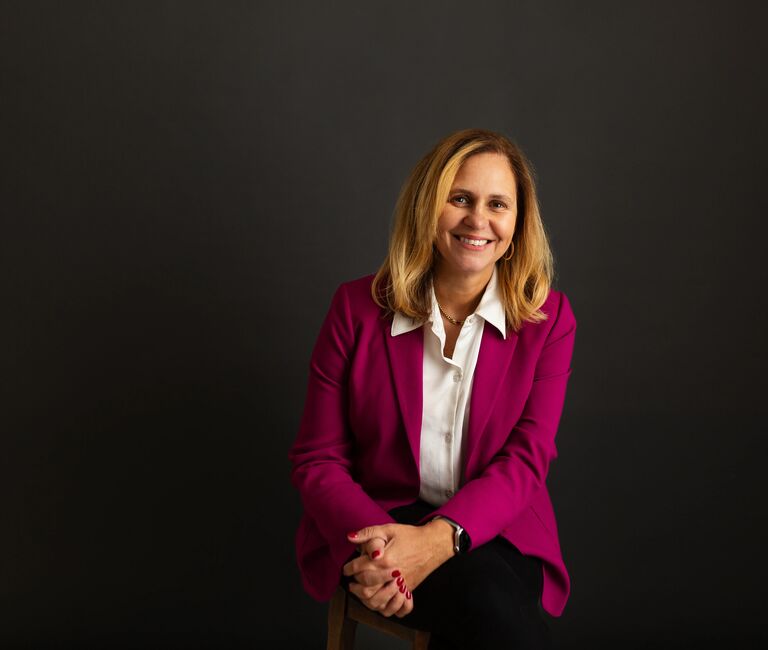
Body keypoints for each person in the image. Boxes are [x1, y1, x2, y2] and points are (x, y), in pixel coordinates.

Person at [288, 128, 576, 648]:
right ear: (428, 206)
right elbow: (318, 460)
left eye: (498, 205)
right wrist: (386, 552)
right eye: (460, 199)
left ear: (518, 222)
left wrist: (440, 540)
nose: (478, 220)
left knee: (488, 597)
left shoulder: (549, 320)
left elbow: (526, 460)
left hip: (496, 523)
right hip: (377, 521)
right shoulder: (355, 309)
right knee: (486, 607)